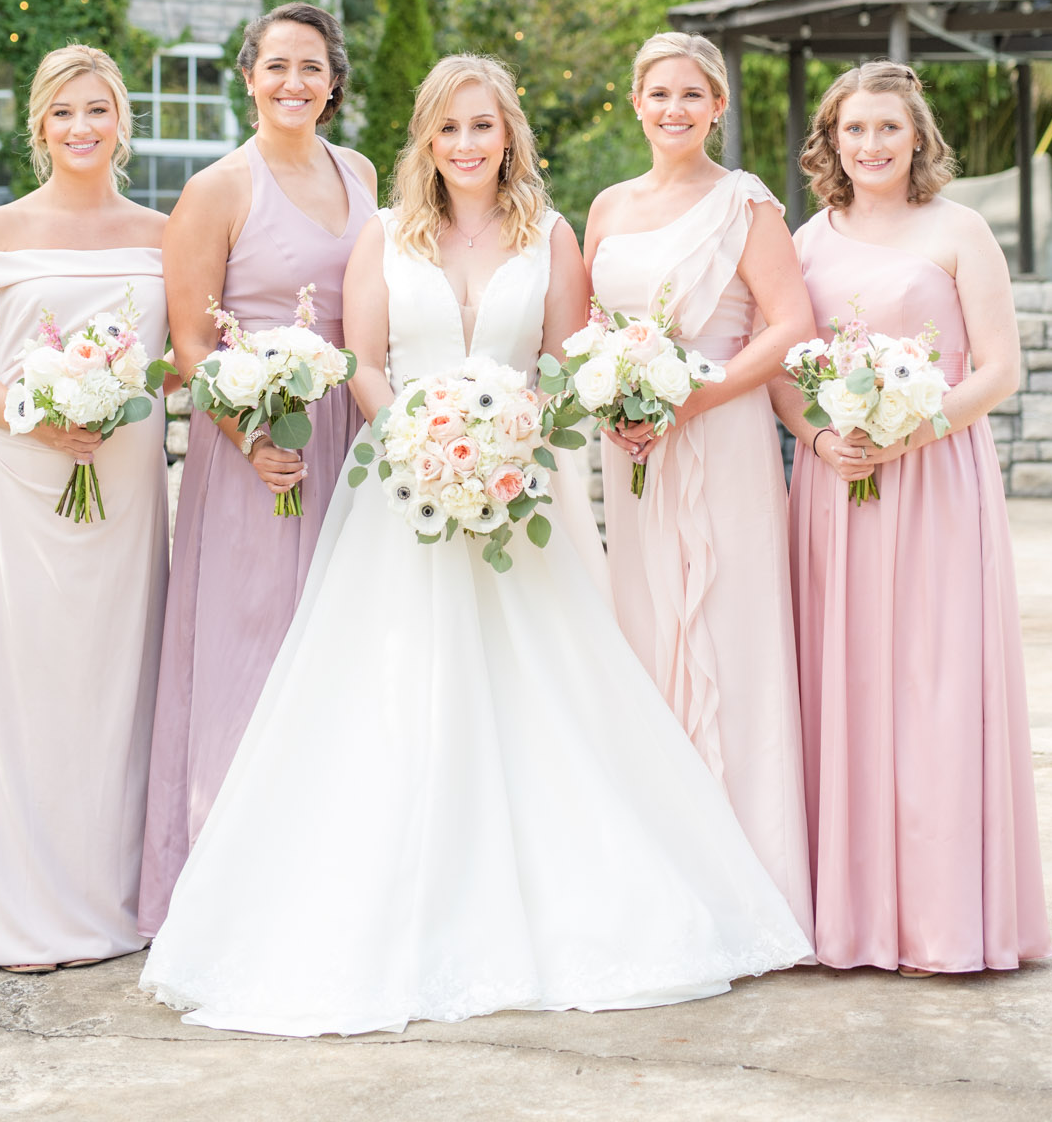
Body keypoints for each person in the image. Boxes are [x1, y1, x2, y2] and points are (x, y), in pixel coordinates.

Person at [140, 55, 810, 1036]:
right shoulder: (381, 233)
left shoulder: (550, 232)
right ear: (425, 136)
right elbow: (364, 362)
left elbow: (566, 356)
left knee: (545, 695)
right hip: (399, 493)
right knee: (388, 698)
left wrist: (508, 438)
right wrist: (414, 439)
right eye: (448, 127)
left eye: (482, 127)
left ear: (508, 135)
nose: (465, 144)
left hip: (516, 484)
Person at [769, 60, 1050, 974]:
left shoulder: (960, 229)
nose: (871, 145)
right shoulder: (805, 240)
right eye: (854, 130)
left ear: (918, 136)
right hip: (834, 487)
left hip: (934, 480)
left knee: (934, 684)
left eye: (888, 128)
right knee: (842, 684)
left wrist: (910, 431)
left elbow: (998, 370)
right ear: (830, 140)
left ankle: (942, 919)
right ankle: (850, 916)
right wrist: (818, 440)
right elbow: (781, 369)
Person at [137, 3, 376, 935]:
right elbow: (191, 344)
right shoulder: (216, 190)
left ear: (333, 81)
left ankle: (330, 864)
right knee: (252, 646)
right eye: (276, 66)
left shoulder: (357, 172)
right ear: (248, 77)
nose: (293, 83)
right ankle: (230, 886)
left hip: (348, 436)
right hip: (257, 448)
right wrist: (248, 433)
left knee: (340, 641)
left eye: (310, 67)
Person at [0, 45, 169, 970]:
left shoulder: (163, 233)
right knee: (15, 692)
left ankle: (105, 896)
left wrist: (117, 391)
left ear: (121, 123)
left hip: (123, 490)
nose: (82, 127)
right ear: (40, 126)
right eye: (64, 112)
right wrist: (36, 411)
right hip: (13, 489)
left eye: (98, 110)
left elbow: (179, 356)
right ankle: (9, 909)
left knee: (110, 692)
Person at [585, 31, 816, 939]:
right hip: (632, 447)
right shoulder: (605, 208)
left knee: (729, 627)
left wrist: (694, 396)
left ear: (718, 107)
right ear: (634, 103)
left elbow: (789, 322)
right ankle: (663, 873)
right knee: (644, 632)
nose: (674, 109)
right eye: (658, 94)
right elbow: (592, 328)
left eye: (693, 95)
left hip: (718, 434)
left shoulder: (745, 204)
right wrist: (615, 399)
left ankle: (750, 885)